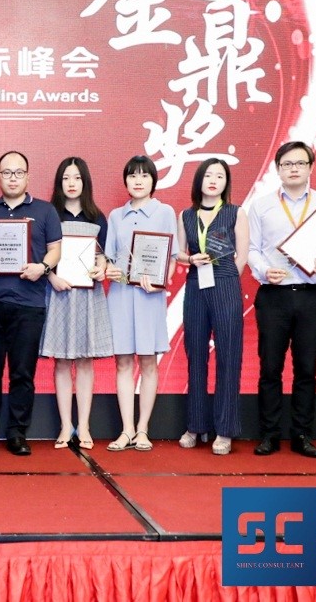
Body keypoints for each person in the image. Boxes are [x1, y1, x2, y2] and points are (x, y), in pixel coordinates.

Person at [246, 141, 316, 459]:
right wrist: (263, 270)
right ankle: (269, 434)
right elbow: (252, 249)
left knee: (306, 369)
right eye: (287, 164)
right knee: (270, 367)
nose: (294, 169)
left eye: (300, 163)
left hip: (312, 295)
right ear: (278, 170)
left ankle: (302, 434)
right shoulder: (261, 206)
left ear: (311, 167)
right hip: (273, 296)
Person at [0, 151, 62, 456]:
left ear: (27, 176)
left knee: (23, 373)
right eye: (7, 173)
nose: (13, 178)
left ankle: (17, 433)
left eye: (18, 172)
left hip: (29, 305)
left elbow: (55, 250)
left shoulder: (46, 211)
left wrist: (43, 268)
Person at [174, 158, 249, 456]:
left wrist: (226, 279)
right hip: (195, 283)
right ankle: (195, 425)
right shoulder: (186, 215)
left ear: (226, 182)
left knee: (229, 355)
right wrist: (190, 259)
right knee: (195, 354)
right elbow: (179, 253)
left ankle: (225, 429)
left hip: (226, 283)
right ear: (199, 181)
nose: (214, 180)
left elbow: (242, 256)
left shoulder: (235, 212)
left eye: (220, 176)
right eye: (208, 175)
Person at [104, 155, 176, 452]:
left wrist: (160, 279)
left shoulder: (165, 212)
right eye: (132, 175)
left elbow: (171, 258)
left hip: (149, 297)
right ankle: (126, 430)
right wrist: (108, 269)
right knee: (122, 362)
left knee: (147, 361)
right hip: (120, 295)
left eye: (144, 175)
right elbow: (108, 258)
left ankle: (143, 429)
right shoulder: (115, 216)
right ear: (126, 180)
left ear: (153, 181)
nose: (138, 181)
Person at [40, 157, 111, 451]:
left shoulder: (97, 217)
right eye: (66, 178)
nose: (71, 183)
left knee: (84, 361)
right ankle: (64, 426)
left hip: (87, 296)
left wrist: (101, 267)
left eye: (77, 178)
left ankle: (84, 426)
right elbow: (41, 255)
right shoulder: (48, 214)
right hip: (57, 293)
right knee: (60, 361)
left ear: (85, 182)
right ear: (59, 183)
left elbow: (104, 256)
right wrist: (51, 276)